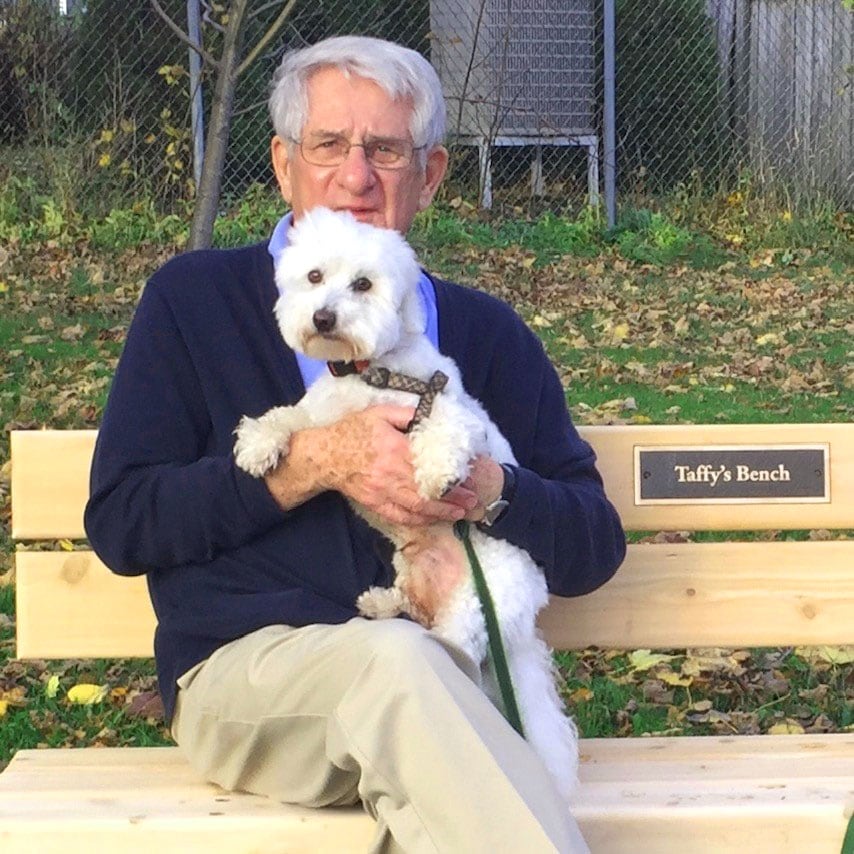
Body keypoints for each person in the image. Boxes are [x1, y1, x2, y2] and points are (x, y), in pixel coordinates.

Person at [84, 35, 626, 853]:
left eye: (386, 149)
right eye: (329, 144)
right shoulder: (191, 303)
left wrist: (485, 489)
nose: (356, 175)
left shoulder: (486, 334)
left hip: (454, 679)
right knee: (399, 666)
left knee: (419, 736)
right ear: (281, 162)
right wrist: (310, 464)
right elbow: (124, 521)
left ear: (432, 174)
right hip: (250, 675)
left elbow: (592, 543)